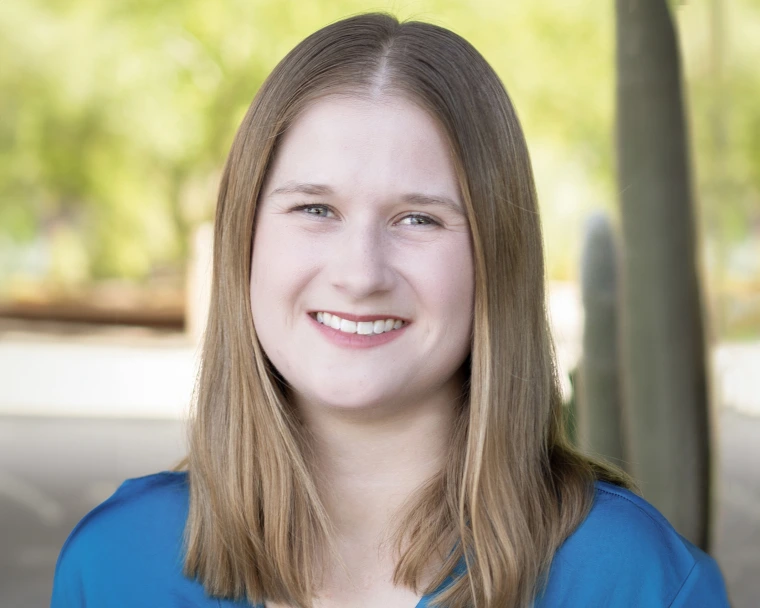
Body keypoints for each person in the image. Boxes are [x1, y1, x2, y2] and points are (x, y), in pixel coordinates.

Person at [50, 12, 730, 608]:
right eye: (316, 209)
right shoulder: (115, 566)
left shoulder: (634, 580)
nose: (360, 273)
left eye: (418, 219)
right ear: (244, 240)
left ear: (496, 257)